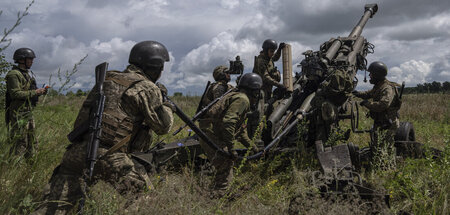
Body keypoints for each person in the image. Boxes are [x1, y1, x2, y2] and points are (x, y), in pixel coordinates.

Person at [35, 41, 174, 214]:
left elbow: (82, 119)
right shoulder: (146, 87)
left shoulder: (107, 78)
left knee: (53, 207)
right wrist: (167, 106)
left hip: (76, 153)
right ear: (156, 66)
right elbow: (163, 127)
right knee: (146, 200)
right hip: (111, 156)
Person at [198, 73, 261, 196]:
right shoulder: (243, 100)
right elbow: (229, 123)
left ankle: (220, 189)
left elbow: (241, 133)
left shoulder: (238, 97)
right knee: (226, 161)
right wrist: (231, 149)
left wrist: (254, 149)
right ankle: (220, 194)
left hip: (209, 132)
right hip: (211, 134)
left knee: (225, 163)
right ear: (254, 91)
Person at [353, 61, 401, 170]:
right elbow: (369, 94)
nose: (369, 76)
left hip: (388, 124)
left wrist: (367, 104)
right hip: (381, 123)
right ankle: (379, 167)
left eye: (371, 74)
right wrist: (357, 93)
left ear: (377, 75)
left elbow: (383, 105)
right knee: (377, 148)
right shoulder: (379, 86)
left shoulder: (387, 88)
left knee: (385, 149)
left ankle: (389, 170)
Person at [5, 48, 47, 158]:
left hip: (28, 111)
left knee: (32, 140)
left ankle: (30, 164)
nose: (32, 61)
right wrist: (35, 92)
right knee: (20, 140)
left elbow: (29, 92)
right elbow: (15, 94)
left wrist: (40, 92)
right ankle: (15, 168)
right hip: (19, 112)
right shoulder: (14, 74)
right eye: (30, 59)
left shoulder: (26, 74)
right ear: (22, 59)